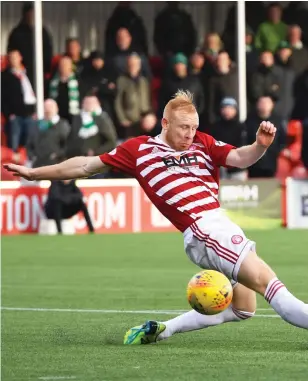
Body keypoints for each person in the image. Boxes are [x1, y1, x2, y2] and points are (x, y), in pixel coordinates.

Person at [4, 90, 308, 345]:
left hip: (218, 225)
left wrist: (259, 146)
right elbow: (85, 165)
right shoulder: (139, 150)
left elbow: (239, 158)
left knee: (244, 308)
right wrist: (35, 173)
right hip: (205, 230)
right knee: (273, 286)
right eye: (182, 128)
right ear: (165, 123)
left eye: (193, 127)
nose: (189, 135)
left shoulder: (202, 141)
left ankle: (165, 329)